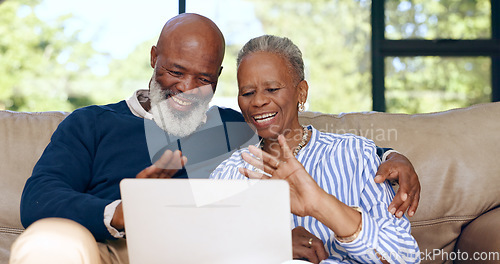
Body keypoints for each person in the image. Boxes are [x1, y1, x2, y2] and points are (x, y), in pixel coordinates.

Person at [12, 13, 419, 264]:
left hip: (195, 254)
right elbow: (39, 199)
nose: (187, 89)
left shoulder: (236, 128)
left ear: (218, 79)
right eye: (175, 71)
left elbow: (304, 140)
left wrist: (394, 155)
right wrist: (123, 212)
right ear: (154, 58)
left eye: (203, 78)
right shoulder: (92, 124)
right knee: (49, 241)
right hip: (109, 250)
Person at [210, 35, 420, 263]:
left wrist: (321, 204)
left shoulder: (354, 155)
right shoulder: (227, 174)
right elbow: (201, 252)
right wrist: (269, 247)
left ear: (301, 92)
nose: (258, 101)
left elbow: (405, 257)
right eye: (247, 93)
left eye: (272, 89)